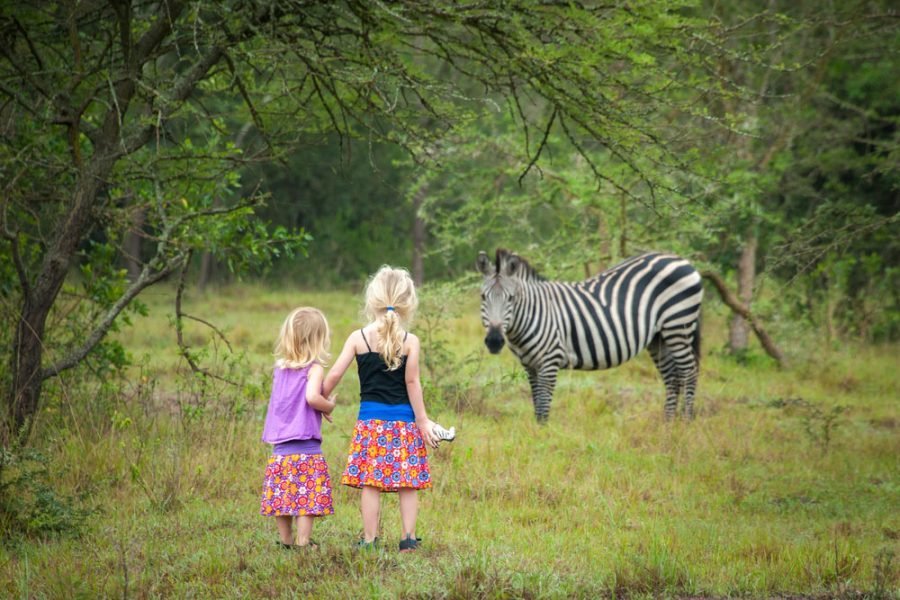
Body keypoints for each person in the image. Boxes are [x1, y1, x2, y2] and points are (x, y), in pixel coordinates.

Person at [323, 266, 455, 552]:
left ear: (373, 300)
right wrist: (422, 421)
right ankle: (408, 538)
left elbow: (333, 376)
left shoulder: (358, 338)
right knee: (408, 482)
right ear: (408, 303)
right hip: (404, 423)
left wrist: (320, 400)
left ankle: (370, 540)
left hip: (370, 424)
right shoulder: (410, 342)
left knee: (371, 483)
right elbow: (412, 382)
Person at [259, 307, 336, 549]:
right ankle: (303, 542)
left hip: (280, 448)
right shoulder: (314, 369)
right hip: (306, 447)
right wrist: (328, 406)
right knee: (307, 498)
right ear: (317, 340)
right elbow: (312, 398)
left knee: (281, 497)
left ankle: (285, 542)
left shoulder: (280, 369)